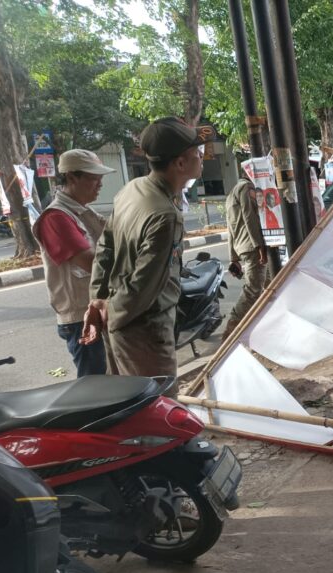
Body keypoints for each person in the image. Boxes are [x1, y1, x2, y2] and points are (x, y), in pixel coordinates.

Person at [81, 116, 212, 397]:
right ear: (179, 163)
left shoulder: (133, 189)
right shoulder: (165, 215)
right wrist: (112, 312)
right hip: (144, 328)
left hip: (118, 320)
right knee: (158, 410)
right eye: (196, 154)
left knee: (126, 406)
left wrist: (99, 302)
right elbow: (146, 282)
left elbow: (106, 247)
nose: (202, 158)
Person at [32, 150, 116, 377]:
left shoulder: (81, 211)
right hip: (81, 317)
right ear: (71, 178)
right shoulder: (56, 218)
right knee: (95, 388)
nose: (99, 184)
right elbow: (91, 262)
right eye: (93, 177)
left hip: (98, 309)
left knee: (111, 384)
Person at [223, 177, 268, 340]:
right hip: (252, 246)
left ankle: (262, 331)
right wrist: (259, 246)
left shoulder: (231, 194)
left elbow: (230, 228)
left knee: (268, 287)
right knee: (253, 290)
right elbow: (250, 217)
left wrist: (233, 258)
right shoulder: (247, 188)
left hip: (243, 247)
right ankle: (230, 334)